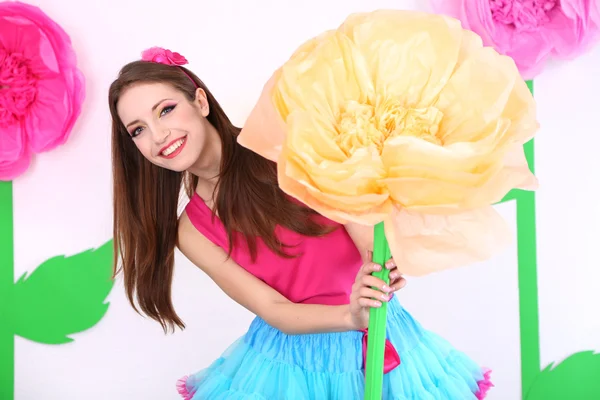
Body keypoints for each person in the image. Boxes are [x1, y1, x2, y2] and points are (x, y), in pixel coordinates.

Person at [108, 47, 493, 399]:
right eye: (138, 130)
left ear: (201, 101)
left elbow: (358, 214)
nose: (158, 135)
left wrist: (379, 263)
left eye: (166, 110)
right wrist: (349, 316)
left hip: (378, 326)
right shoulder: (192, 231)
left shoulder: (283, 147)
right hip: (288, 364)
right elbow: (272, 307)